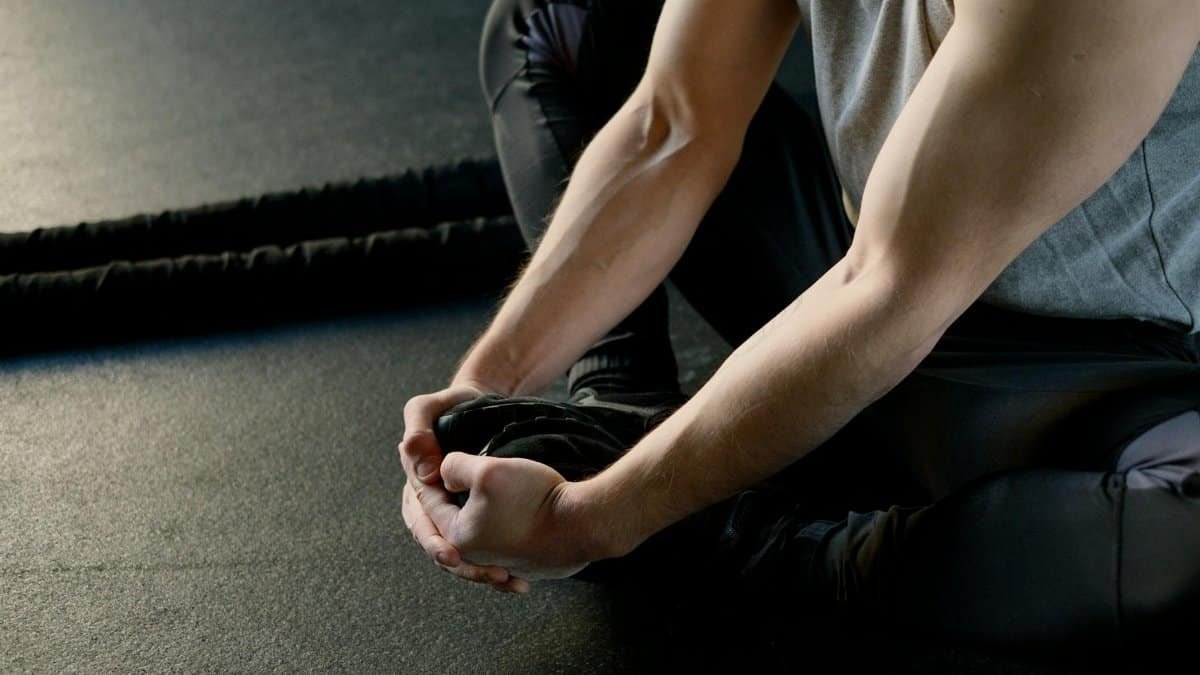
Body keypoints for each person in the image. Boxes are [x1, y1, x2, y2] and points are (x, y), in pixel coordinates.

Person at [399, 0, 1200, 644]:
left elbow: (897, 287)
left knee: (1179, 537)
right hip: (860, 274)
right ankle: (626, 413)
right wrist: (485, 392)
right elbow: (674, 125)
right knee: (558, 20)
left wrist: (593, 520)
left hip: (1107, 371)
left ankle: (736, 533)